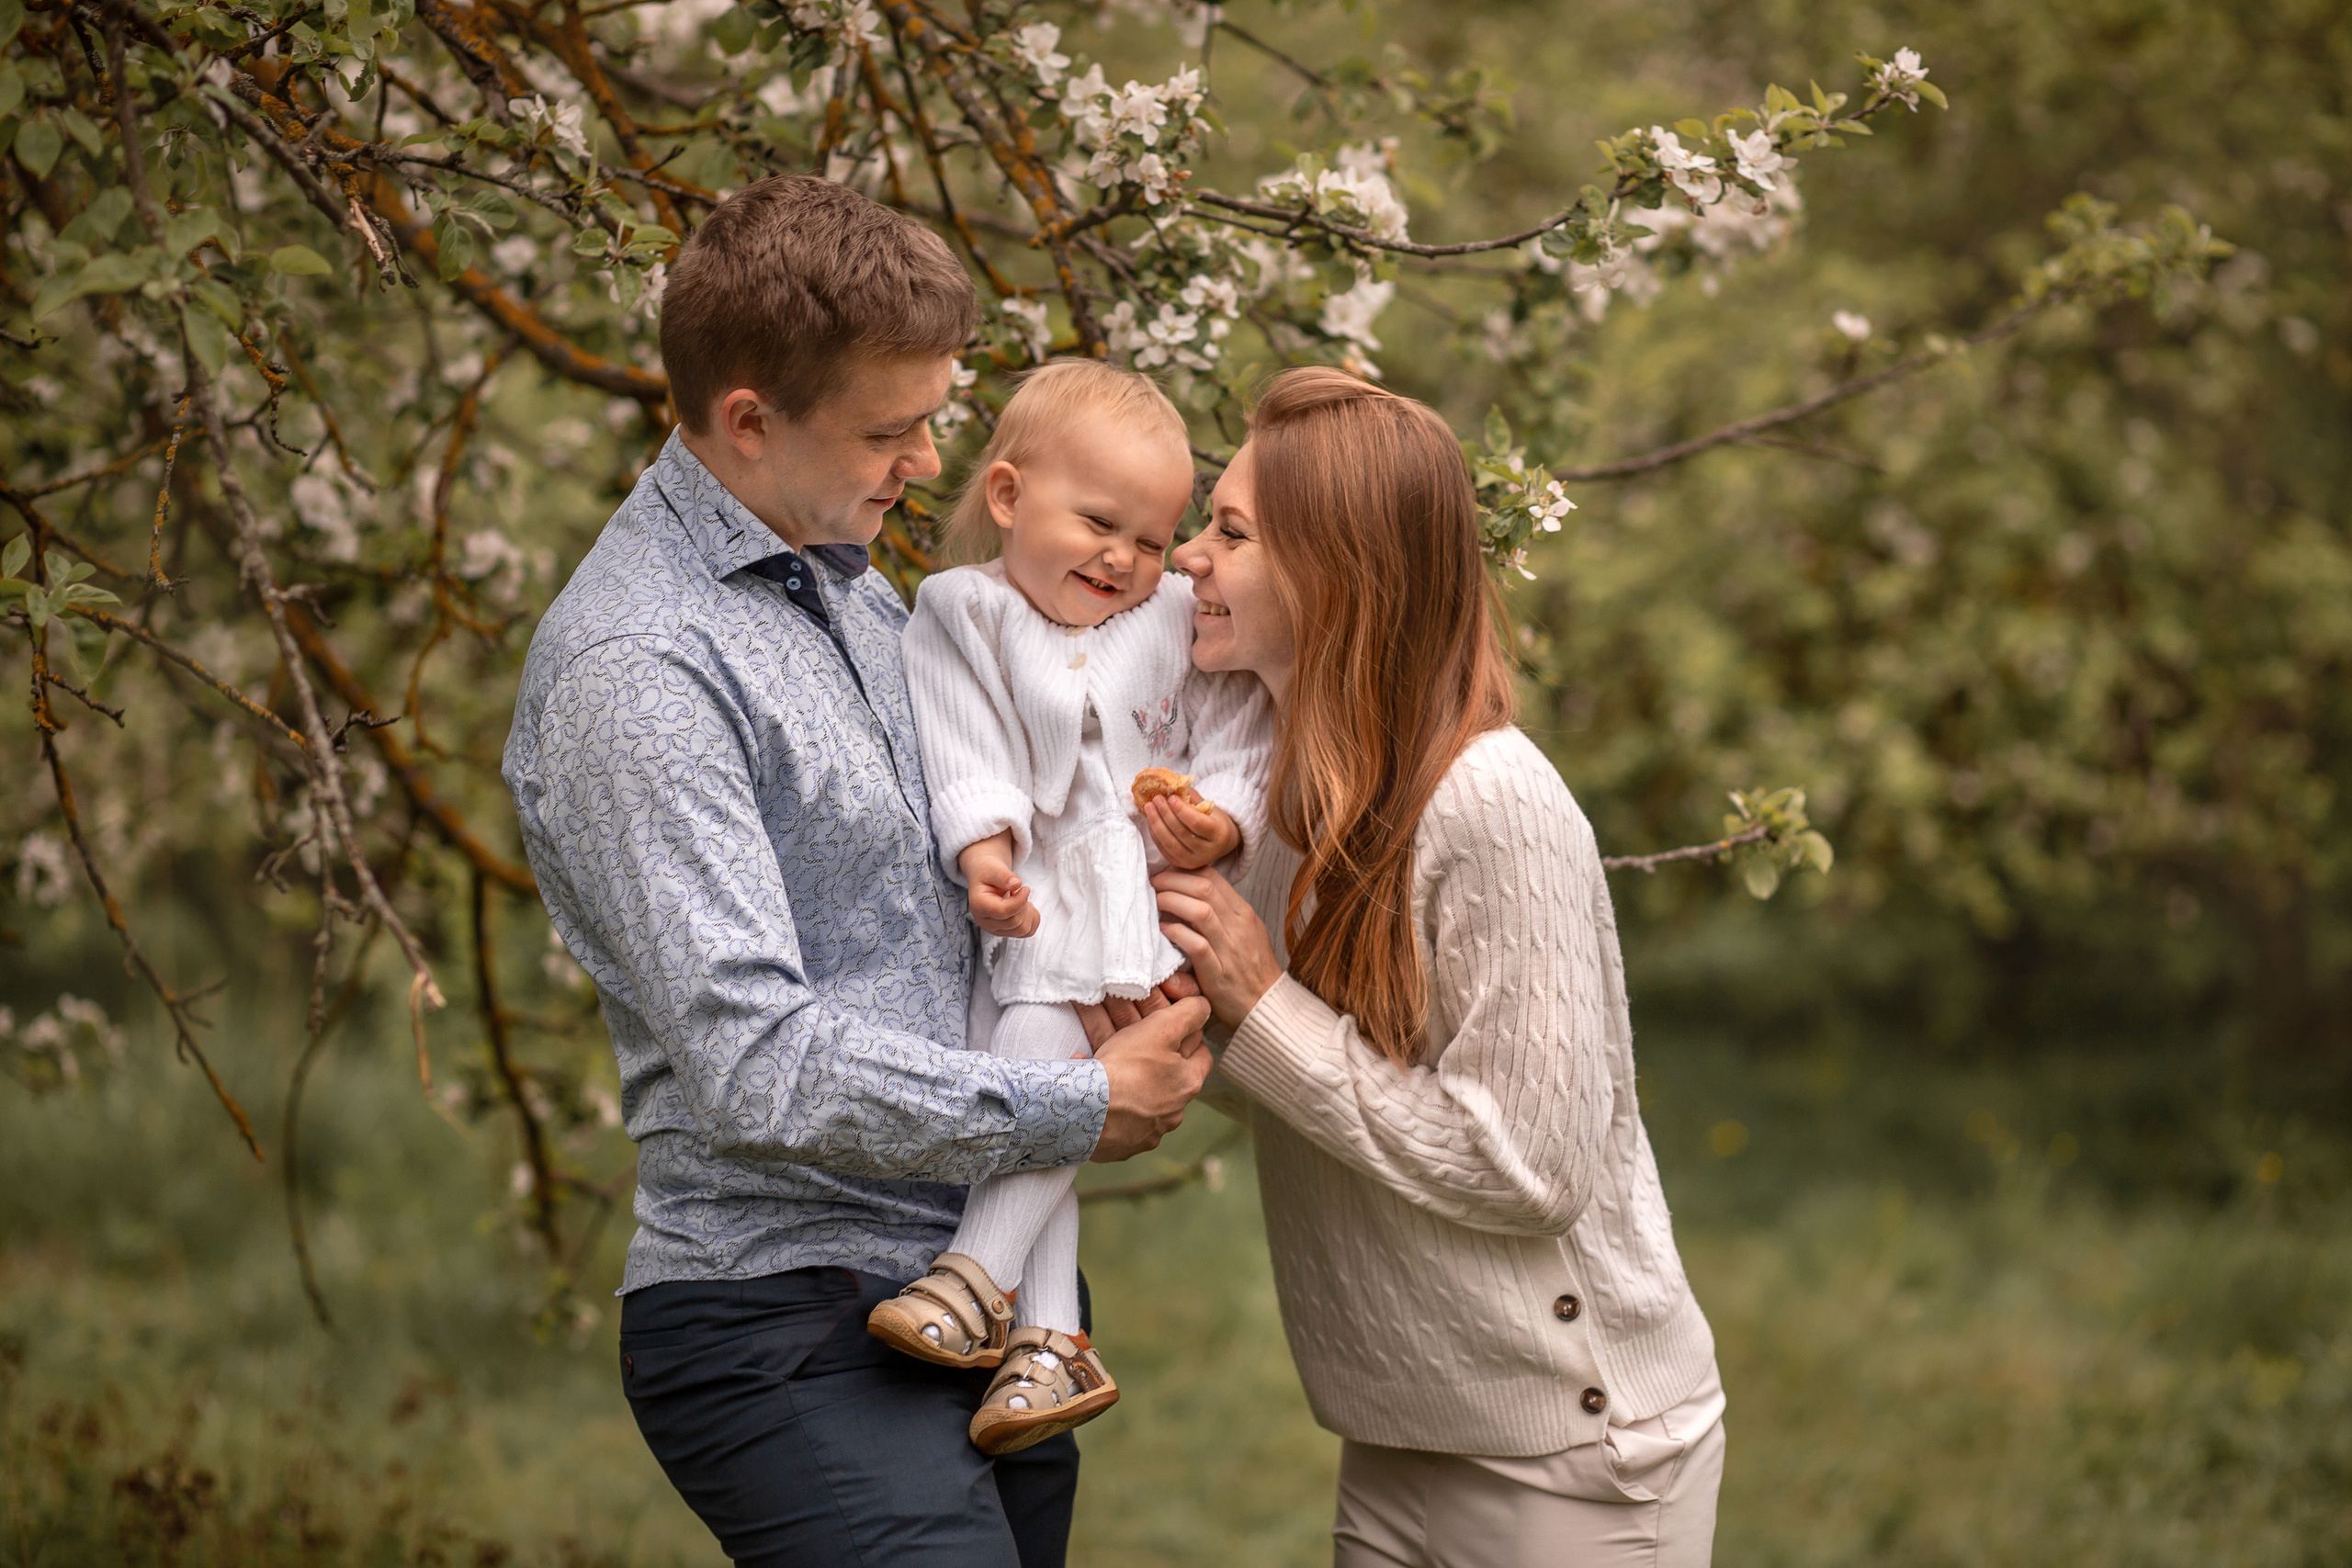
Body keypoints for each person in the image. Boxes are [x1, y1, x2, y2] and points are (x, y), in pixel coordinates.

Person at [501, 175, 1213, 1568]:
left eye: (935, 413)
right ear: (749, 419)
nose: (932, 460)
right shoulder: (642, 669)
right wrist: (1074, 1098)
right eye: (891, 429)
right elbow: (754, 1062)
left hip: (969, 1296)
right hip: (785, 1311)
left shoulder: (849, 577)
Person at [1138, 367, 1725, 1568]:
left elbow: (1533, 1164)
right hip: (1398, 1426)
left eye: (1231, 531)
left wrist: (1259, 1003)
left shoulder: (1493, 803)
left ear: (1335, 572)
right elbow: (1285, 1072)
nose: (1187, 555)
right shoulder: (1279, 801)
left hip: (1575, 1460)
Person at [865, 360, 1273, 1455]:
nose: (1125, 559)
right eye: (1099, 523)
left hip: (1136, 900)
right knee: (1028, 1074)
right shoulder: (963, 612)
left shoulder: (1176, 613)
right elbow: (961, 743)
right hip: (1038, 898)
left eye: (1151, 538)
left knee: (1044, 1061)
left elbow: (1241, 727)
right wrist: (984, 849)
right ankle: (1048, 1342)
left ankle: (973, 1280)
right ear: (1006, 497)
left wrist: (1219, 819)